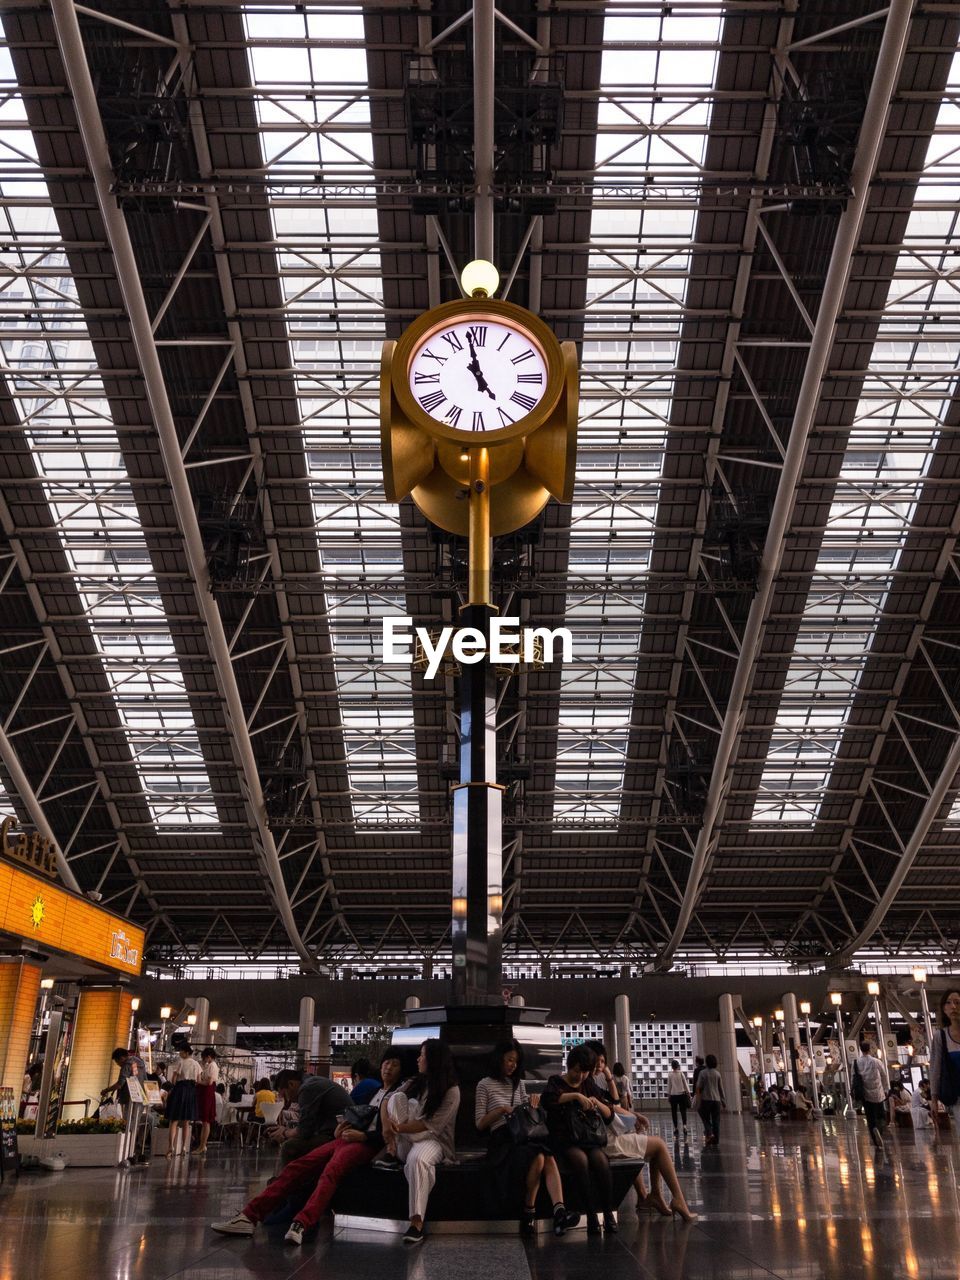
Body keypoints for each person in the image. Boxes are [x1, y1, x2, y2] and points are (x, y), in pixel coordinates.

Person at [212, 1047, 407, 1246]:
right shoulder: (375, 1091)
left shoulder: (398, 1095)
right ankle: (249, 1215)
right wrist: (341, 1129)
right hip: (344, 1138)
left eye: (395, 1064)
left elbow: (391, 1132)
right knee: (299, 1165)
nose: (388, 1068)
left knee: (331, 1169)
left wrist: (363, 1135)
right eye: (386, 1063)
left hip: (365, 1144)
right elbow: (359, 1117)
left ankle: (301, 1221)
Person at [475, 1040, 579, 1236]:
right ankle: (534, 1211)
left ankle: (557, 1212)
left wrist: (532, 1105)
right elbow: (480, 1123)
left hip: (522, 1136)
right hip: (501, 1139)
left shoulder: (519, 1084)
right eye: (509, 1060)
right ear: (499, 1059)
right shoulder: (484, 1084)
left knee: (543, 1155)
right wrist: (500, 1111)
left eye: (516, 1061)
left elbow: (524, 1117)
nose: (513, 1065)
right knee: (541, 1156)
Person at [374, 1038, 460, 1246]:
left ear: (433, 1059)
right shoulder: (416, 1080)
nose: (419, 1059)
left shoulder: (451, 1091)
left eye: (422, 1055)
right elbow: (387, 1099)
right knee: (396, 1099)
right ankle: (392, 1150)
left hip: (433, 1140)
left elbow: (429, 1126)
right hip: (404, 1137)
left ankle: (416, 1223)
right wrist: (387, 1128)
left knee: (418, 1160)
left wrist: (399, 1129)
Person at [540, 1044, 616, 1235]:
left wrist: (596, 1102)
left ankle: (607, 1213)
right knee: (580, 1160)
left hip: (587, 1138)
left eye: (585, 1072)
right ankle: (590, 1215)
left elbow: (609, 1115)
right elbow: (548, 1100)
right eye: (577, 1071)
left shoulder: (588, 1084)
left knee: (600, 1160)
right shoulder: (556, 1082)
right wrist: (575, 1096)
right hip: (564, 1139)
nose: (580, 1076)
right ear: (569, 1065)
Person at [265, 1069, 352, 1165]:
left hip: (336, 1134)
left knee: (289, 1147)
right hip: (337, 1129)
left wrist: (285, 1133)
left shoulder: (307, 1089)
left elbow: (304, 1131)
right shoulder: (312, 1081)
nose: (287, 1100)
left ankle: (286, 1179)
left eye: (285, 1094)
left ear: (291, 1084)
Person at [930, 989, 960, 1137]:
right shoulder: (940, 1036)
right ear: (944, 1008)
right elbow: (935, 1068)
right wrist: (934, 1099)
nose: (953, 1006)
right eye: (948, 1003)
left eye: (957, 1002)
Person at [166, 1042, 200, 1157]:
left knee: (174, 1120)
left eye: (181, 1051)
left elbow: (174, 1079)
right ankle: (184, 1147)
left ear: (186, 1052)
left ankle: (171, 1146)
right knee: (186, 1121)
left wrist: (173, 1087)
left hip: (180, 1090)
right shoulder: (196, 1064)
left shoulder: (181, 1062)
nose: (180, 1053)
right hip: (191, 1092)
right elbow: (198, 1080)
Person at [855, 1040, 887, 1148]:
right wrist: (885, 1088)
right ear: (869, 1049)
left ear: (860, 1049)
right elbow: (883, 1075)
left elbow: (853, 1078)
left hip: (865, 1094)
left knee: (870, 1117)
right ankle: (880, 1131)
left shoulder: (856, 1062)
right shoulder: (876, 1061)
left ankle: (874, 1134)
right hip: (878, 1093)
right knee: (881, 1116)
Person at [694, 1054, 725, 1147]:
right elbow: (721, 1089)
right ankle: (716, 1139)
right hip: (716, 1100)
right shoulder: (717, 1074)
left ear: (707, 1062)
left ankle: (710, 1133)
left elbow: (698, 1086)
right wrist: (723, 1101)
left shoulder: (702, 1073)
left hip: (705, 1099)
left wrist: (698, 1098)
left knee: (705, 1117)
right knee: (716, 1120)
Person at [195, 1048, 219, 1155]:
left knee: (205, 1121)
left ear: (209, 1056)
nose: (204, 1060)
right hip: (207, 1093)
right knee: (206, 1121)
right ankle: (202, 1145)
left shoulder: (211, 1065)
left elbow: (209, 1082)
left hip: (207, 1094)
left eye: (204, 1057)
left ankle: (202, 1145)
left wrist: (199, 1081)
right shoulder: (211, 1065)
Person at [666, 1059, 691, 1138]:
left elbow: (669, 1085)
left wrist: (669, 1095)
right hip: (682, 1095)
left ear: (672, 1067)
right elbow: (685, 1084)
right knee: (683, 1111)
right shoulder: (681, 1073)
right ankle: (684, 1126)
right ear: (678, 1066)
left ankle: (676, 1128)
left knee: (674, 1112)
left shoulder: (670, 1074)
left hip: (673, 1095)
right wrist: (688, 1093)